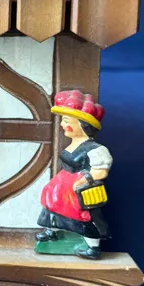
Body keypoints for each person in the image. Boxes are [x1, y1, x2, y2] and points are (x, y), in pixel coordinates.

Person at [36, 90, 112, 260]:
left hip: (77, 190)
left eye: (66, 121)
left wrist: (83, 181)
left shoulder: (96, 149)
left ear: (82, 125)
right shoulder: (73, 144)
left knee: (84, 217)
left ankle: (92, 247)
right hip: (61, 187)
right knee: (51, 207)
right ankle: (52, 232)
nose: (63, 125)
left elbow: (100, 171)